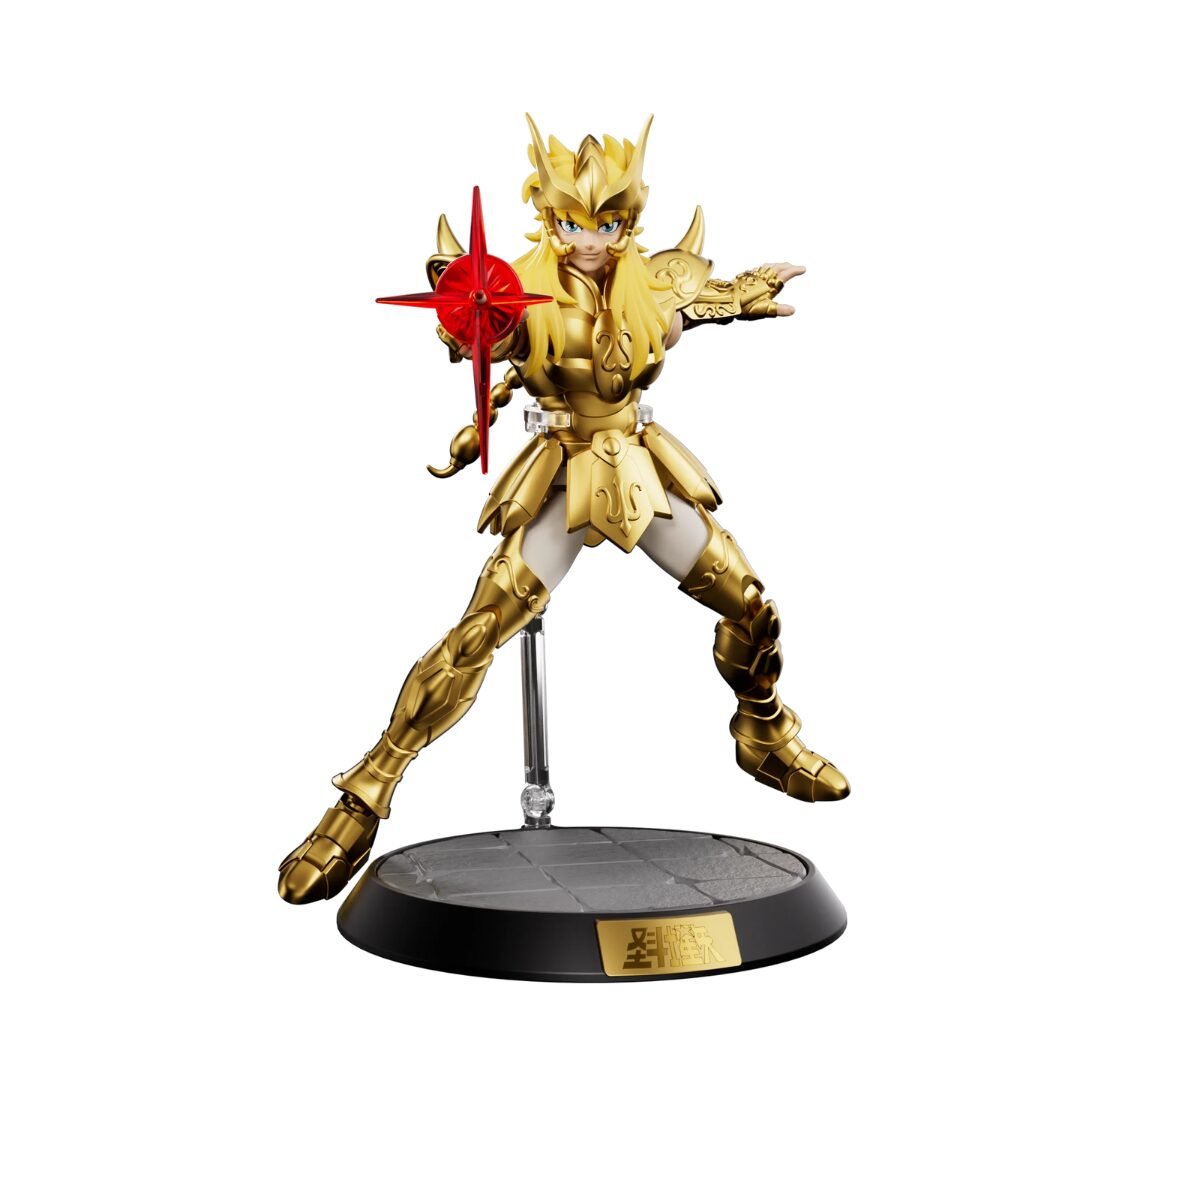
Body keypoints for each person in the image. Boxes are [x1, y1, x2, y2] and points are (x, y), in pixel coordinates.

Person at [278, 115, 849, 904]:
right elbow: (483, 330)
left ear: (628, 222)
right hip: (561, 470)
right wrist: (468, 313)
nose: (590, 239)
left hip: (639, 465)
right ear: (549, 219)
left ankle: (764, 733)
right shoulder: (523, 293)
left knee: (753, 608)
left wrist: (744, 295)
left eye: (607, 223)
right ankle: (364, 795)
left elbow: (698, 305)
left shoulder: (650, 285)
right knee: (476, 634)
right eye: (575, 223)